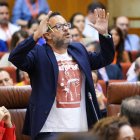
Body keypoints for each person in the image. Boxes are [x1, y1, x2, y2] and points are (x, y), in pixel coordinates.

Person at [9, 9, 114, 140]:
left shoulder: (79, 49)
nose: (65, 29)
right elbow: (15, 57)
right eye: (59, 26)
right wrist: (35, 35)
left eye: (66, 25)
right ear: (47, 35)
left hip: (81, 127)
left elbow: (105, 58)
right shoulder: (38, 54)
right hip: (50, 129)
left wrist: (104, 34)